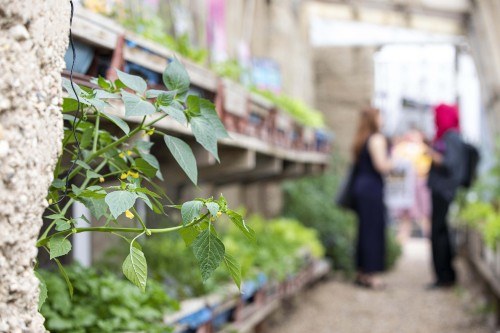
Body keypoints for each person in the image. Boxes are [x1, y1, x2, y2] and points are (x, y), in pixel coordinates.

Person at [351, 107, 393, 290]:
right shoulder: (377, 138)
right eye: (381, 116)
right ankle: (372, 275)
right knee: (373, 230)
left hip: (361, 187)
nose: (383, 119)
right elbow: (381, 165)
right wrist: (396, 159)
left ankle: (361, 271)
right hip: (372, 189)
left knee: (363, 229)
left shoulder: (361, 138)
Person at [426, 103, 465, 289]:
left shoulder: (451, 137)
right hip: (441, 191)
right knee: (440, 232)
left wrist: (432, 154)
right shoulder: (449, 137)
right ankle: (444, 275)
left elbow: (450, 164)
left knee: (439, 232)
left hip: (444, 191)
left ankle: (445, 276)